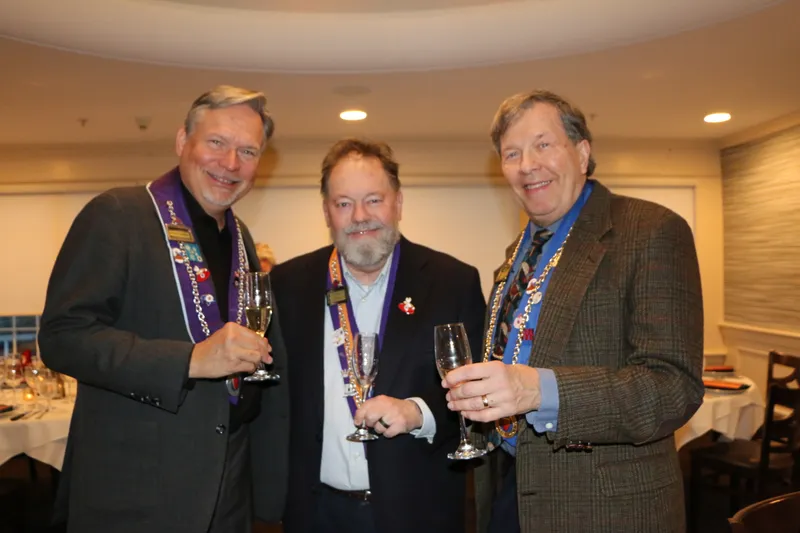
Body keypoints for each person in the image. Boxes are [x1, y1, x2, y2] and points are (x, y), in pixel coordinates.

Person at [443, 90, 704, 532]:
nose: (527, 164)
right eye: (512, 153)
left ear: (582, 153)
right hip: (512, 489)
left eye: (543, 144)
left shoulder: (651, 230)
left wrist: (541, 390)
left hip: (603, 510)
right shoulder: (516, 256)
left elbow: (673, 387)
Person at [38, 85, 289, 533]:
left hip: (227, 481)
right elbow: (62, 338)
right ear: (181, 142)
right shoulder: (118, 214)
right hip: (137, 491)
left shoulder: (242, 237)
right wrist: (189, 360)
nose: (231, 163)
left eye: (248, 151)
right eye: (217, 142)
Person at [267, 138, 486, 533]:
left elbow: (480, 392)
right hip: (314, 513)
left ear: (398, 203)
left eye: (373, 199)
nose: (360, 216)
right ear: (327, 212)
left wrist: (418, 412)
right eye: (344, 203)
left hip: (418, 513)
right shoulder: (286, 284)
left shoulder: (453, 281)